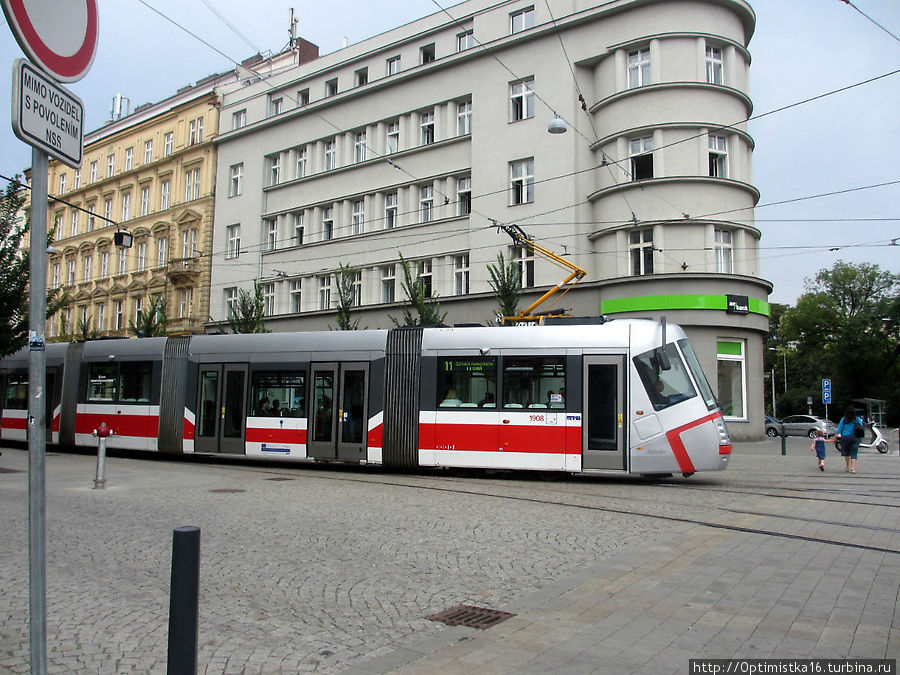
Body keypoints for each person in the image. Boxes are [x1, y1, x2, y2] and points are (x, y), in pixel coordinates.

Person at [835, 404, 864, 473]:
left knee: (846, 453)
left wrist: (835, 437)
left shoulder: (844, 419)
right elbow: (861, 427)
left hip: (845, 438)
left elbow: (839, 430)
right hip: (855, 437)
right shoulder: (857, 419)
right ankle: (853, 468)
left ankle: (848, 467)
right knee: (854, 453)